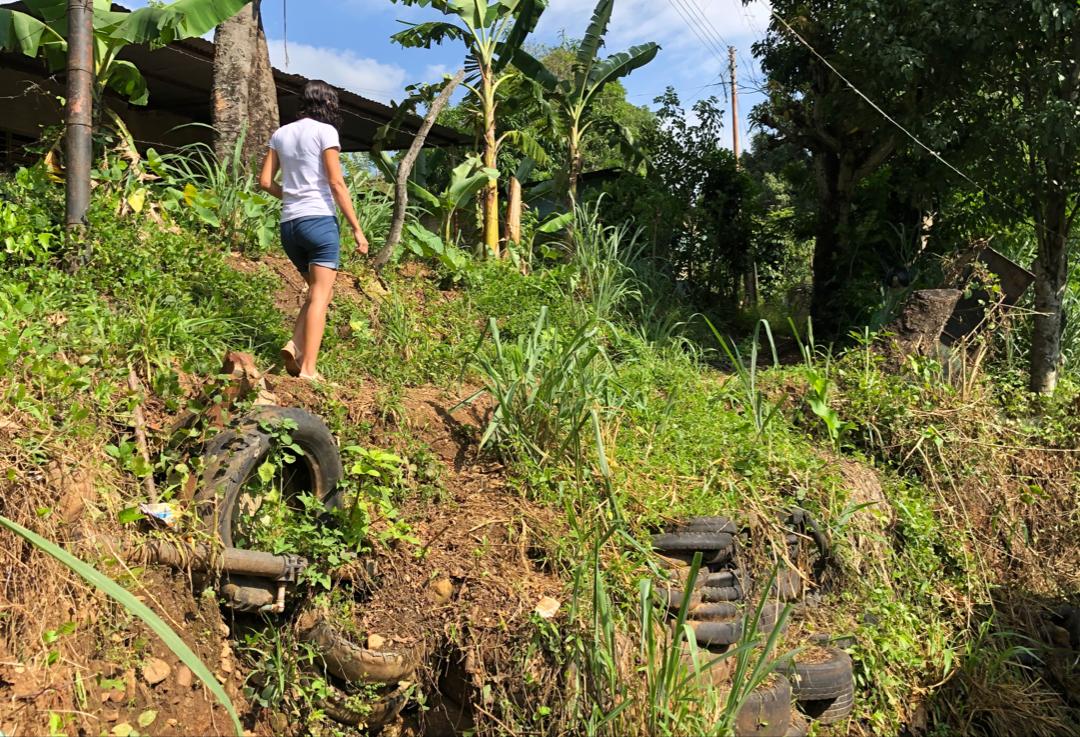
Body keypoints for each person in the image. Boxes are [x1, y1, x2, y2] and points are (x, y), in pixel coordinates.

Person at [258, 80, 369, 381]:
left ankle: (294, 344)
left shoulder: (280, 134)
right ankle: (308, 369)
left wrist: (292, 197)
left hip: (289, 226)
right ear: (328, 103)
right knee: (321, 295)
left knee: (315, 292)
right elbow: (336, 183)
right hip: (319, 222)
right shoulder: (325, 132)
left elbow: (265, 182)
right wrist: (358, 230)